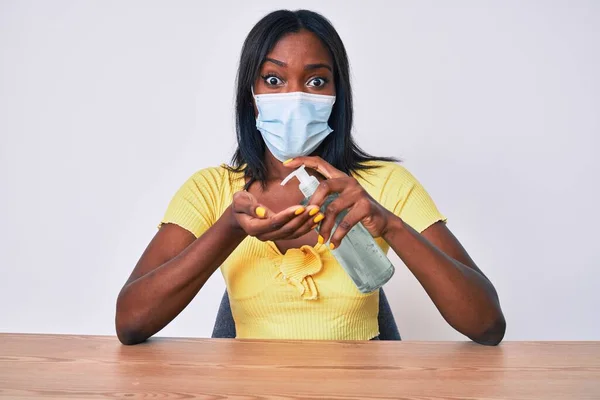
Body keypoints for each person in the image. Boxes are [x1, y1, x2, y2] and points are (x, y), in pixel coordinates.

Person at [115, 9, 506, 345]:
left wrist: (390, 224)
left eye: (316, 81)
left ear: (338, 95)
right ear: (249, 94)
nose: (295, 97)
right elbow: (130, 321)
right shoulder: (211, 189)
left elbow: (487, 325)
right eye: (273, 79)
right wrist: (230, 228)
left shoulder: (386, 184)